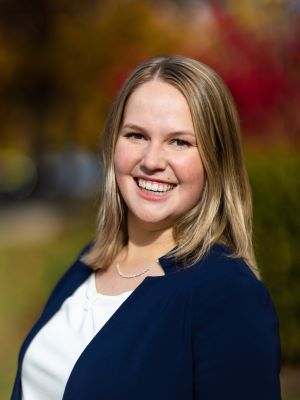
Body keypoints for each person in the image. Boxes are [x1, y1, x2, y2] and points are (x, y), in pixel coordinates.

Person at [11, 55, 281, 400]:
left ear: (216, 159)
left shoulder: (226, 294)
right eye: (136, 135)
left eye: (179, 141)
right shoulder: (87, 264)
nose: (152, 161)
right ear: (113, 143)